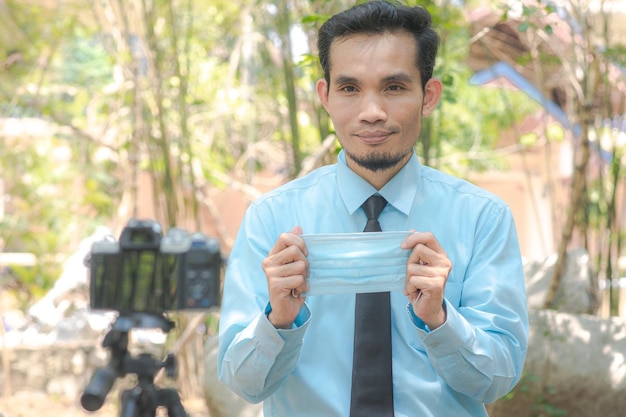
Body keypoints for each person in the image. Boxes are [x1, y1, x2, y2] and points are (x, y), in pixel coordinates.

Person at [217, 1, 528, 416]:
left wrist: (440, 319)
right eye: (349, 88)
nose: (372, 112)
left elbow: (498, 380)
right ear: (325, 96)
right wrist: (279, 320)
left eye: (394, 87)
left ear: (428, 95)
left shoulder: (481, 218)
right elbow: (244, 385)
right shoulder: (271, 218)